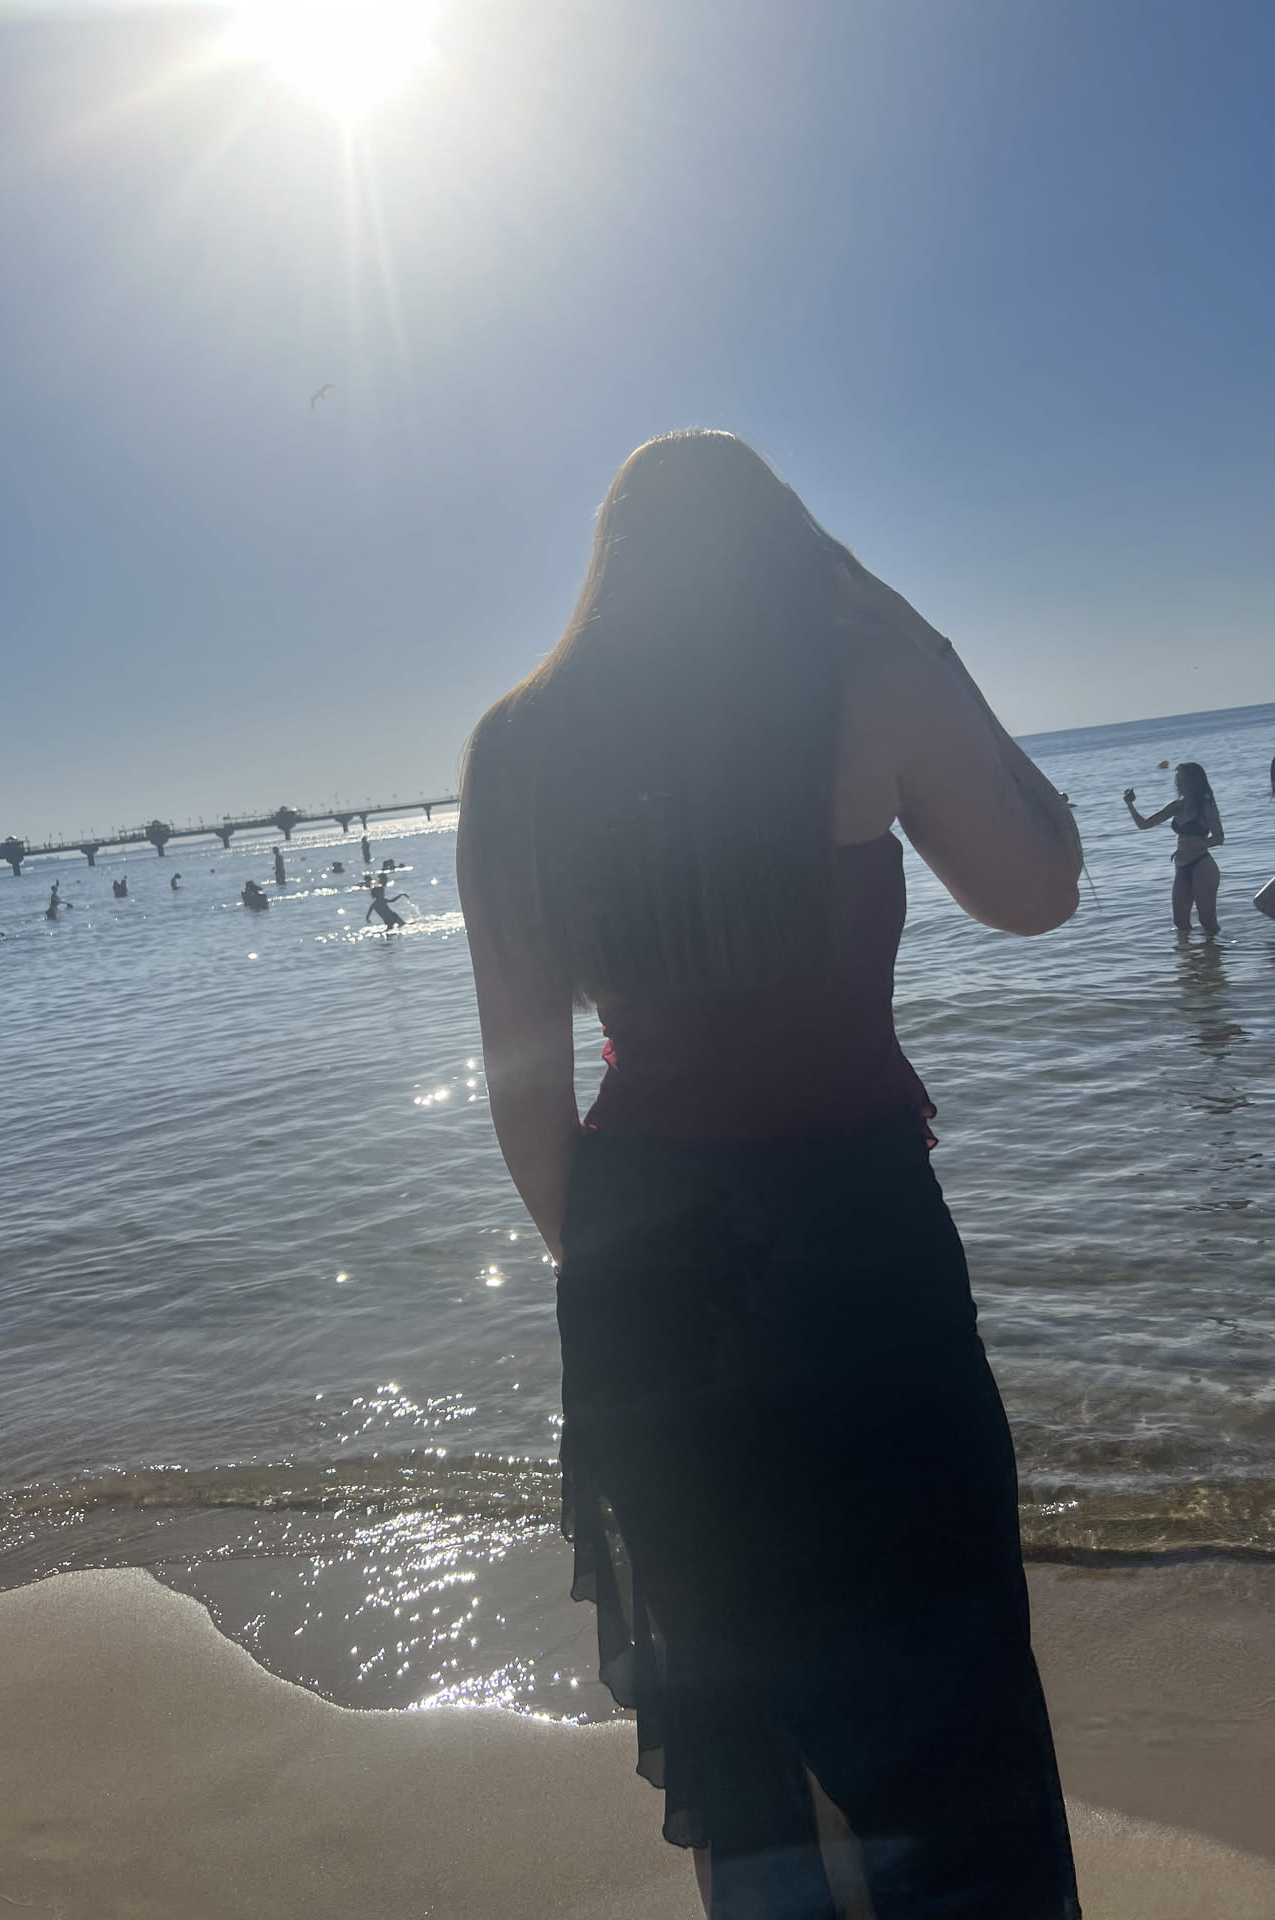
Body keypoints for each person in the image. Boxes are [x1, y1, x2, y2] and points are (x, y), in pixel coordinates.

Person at [457, 431, 1084, 1920]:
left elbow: (525, 1093)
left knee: (740, 1690)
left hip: (649, 1267)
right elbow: (1043, 888)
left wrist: (620, 1280)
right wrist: (925, 636)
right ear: (786, 550)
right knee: (944, 1653)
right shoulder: (873, 680)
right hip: (857, 1245)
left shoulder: (517, 747)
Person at [1123, 762, 1223, 933]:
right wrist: (1130, 805)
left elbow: (1219, 838)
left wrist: (1193, 846)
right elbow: (1144, 824)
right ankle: (1190, 951)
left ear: (1193, 782)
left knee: (1207, 921)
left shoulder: (1206, 805)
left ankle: (1218, 949)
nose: (1178, 784)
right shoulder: (1176, 806)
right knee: (1180, 922)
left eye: (1182, 780)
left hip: (1202, 865)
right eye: (1177, 780)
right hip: (1181, 867)